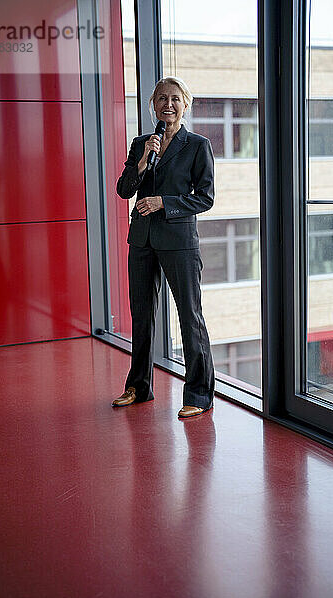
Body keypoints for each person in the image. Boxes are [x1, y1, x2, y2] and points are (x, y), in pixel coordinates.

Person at [112, 76, 215, 418]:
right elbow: (124, 190)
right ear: (153, 105)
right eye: (161, 99)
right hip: (141, 239)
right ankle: (138, 387)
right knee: (141, 316)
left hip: (180, 243)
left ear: (185, 104)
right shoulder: (142, 142)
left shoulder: (197, 145)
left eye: (174, 98)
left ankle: (198, 394)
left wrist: (163, 202)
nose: (167, 104)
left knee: (190, 316)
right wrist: (142, 161)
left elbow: (205, 198)